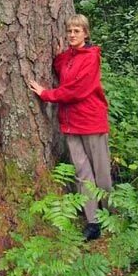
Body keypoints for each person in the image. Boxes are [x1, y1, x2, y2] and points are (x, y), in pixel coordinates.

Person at [29, 14, 111, 241]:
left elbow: (77, 90)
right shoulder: (69, 57)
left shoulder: (91, 58)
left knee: (101, 173)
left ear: (86, 33)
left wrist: (46, 94)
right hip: (71, 124)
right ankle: (93, 223)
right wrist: (61, 54)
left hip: (91, 121)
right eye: (69, 31)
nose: (72, 35)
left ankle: (110, 215)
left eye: (77, 31)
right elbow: (59, 65)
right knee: (83, 173)